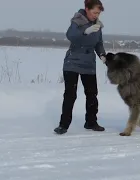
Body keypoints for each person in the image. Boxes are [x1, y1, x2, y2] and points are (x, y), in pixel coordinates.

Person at [54, 0, 106, 135]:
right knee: (70, 94)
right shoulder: (77, 21)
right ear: (87, 9)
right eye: (94, 12)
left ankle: (91, 122)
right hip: (73, 62)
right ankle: (63, 125)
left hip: (89, 63)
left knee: (92, 93)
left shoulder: (98, 26)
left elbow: (98, 43)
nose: (96, 15)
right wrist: (85, 31)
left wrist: (102, 55)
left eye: (98, 13)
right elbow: (70, 36)